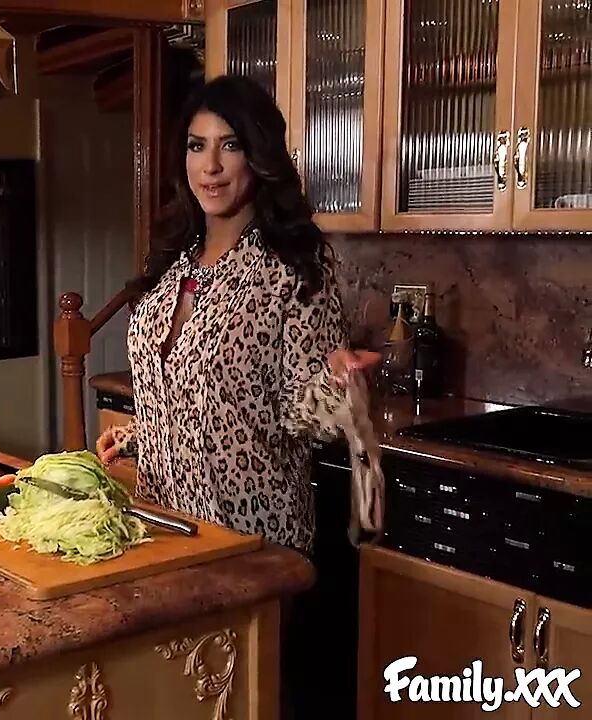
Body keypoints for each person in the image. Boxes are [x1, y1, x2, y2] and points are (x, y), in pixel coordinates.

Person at [93, 75, 379, 717]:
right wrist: (143, 433)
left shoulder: (293, 268)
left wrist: (339, 385)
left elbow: (295, 413)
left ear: (259, 155)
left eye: (230, 145)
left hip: (249, 542)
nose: (211, 166)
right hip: (166, 531)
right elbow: (195, 390)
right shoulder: (174, 263)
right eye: (197, 146)